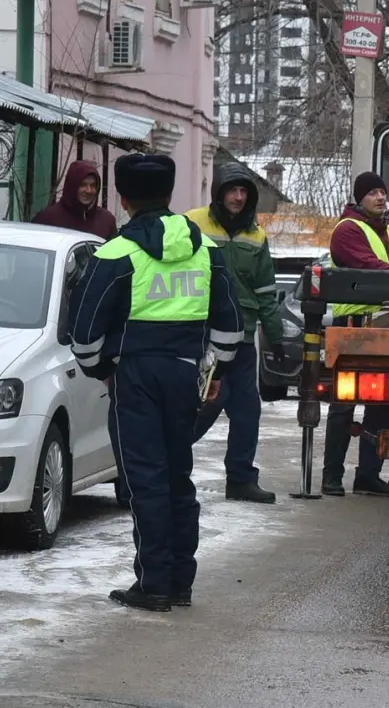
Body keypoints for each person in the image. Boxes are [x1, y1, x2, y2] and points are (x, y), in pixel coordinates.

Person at [68, 154, 244, 612]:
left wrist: (101, 368)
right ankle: (180, 582)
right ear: (169, 197)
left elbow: (83, 334)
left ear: (123, 200)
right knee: (177, 476)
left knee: (146, 479)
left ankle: (154, 584)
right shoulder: (207, 250)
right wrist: (214, 371)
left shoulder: (115, 253)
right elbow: (230, 327)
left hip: (136, 376)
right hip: (187, 372)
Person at [185, 164, 285, 504]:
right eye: (232, 190)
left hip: (242, 337)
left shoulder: (256, 235)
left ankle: (241, 479)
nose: (238, 198)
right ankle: (169, 464)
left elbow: (266, 290)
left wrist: (277, 336)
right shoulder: (193, 223)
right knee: (202, 407)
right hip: (203, 335)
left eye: (244, 192)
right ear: (218, 192)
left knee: (247, 410)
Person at [322, 171, 389, 497]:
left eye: (383, 191)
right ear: (359, 197)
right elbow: (369, 266)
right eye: (373, 192)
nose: (380, 197)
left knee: (381, 404)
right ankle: (331, 476)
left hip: (383, 326)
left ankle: (367, 474)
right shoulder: (347, 231)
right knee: (343, 405)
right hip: (352, 327)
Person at [32, 159, 118, 240]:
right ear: (72, 186)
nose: (89, 190)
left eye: (93, 185)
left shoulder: (106, 222)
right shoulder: (47, 220)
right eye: (83, 185)